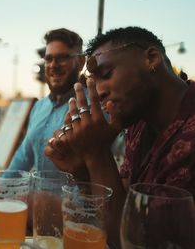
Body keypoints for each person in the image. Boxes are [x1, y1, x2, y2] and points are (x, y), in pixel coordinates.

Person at [45, 26, 195, 246]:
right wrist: (82, 170)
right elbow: (122, 203)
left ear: (151, 58)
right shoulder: (139, 123)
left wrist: (97, 153)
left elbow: (133, 241)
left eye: (106, 75)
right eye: (94, 85)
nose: (99, 92)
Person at [8, 28, 86, 172]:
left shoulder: (91, 108)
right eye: (48, 59)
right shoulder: (38, 107)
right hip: (34, 194)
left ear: (81, 62)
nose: (53, 65)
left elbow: (94, 173)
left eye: (62, 58)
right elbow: (24, 157)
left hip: (71, 195)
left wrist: (62, 196)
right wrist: (0, 187)